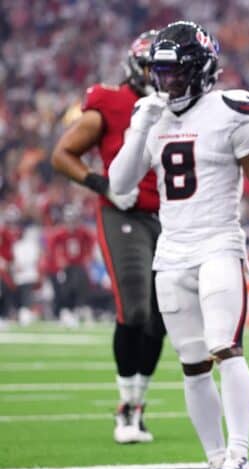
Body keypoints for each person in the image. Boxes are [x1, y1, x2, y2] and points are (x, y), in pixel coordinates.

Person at [108, 21, 249, 469]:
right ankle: (216, 460)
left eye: (175, 73)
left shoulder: (229, 111)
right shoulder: (150, 116)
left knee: (226, 347)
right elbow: (119, 185)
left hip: (218, 244)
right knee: (192, 363)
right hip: (170, 254)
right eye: (159, 72)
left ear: (200, 72)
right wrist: (140, 125)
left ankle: (239, 454)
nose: (165, 82)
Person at [51, 30, 165, 444]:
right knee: (134, 310)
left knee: (159, 317)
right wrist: (104, 185)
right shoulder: (111, 101)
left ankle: (137, 405)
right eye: (159, 66)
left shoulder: (182, 106)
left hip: (170, 217)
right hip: (125, 213)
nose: (165, 74)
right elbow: (63, 153)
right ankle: (124, 406)